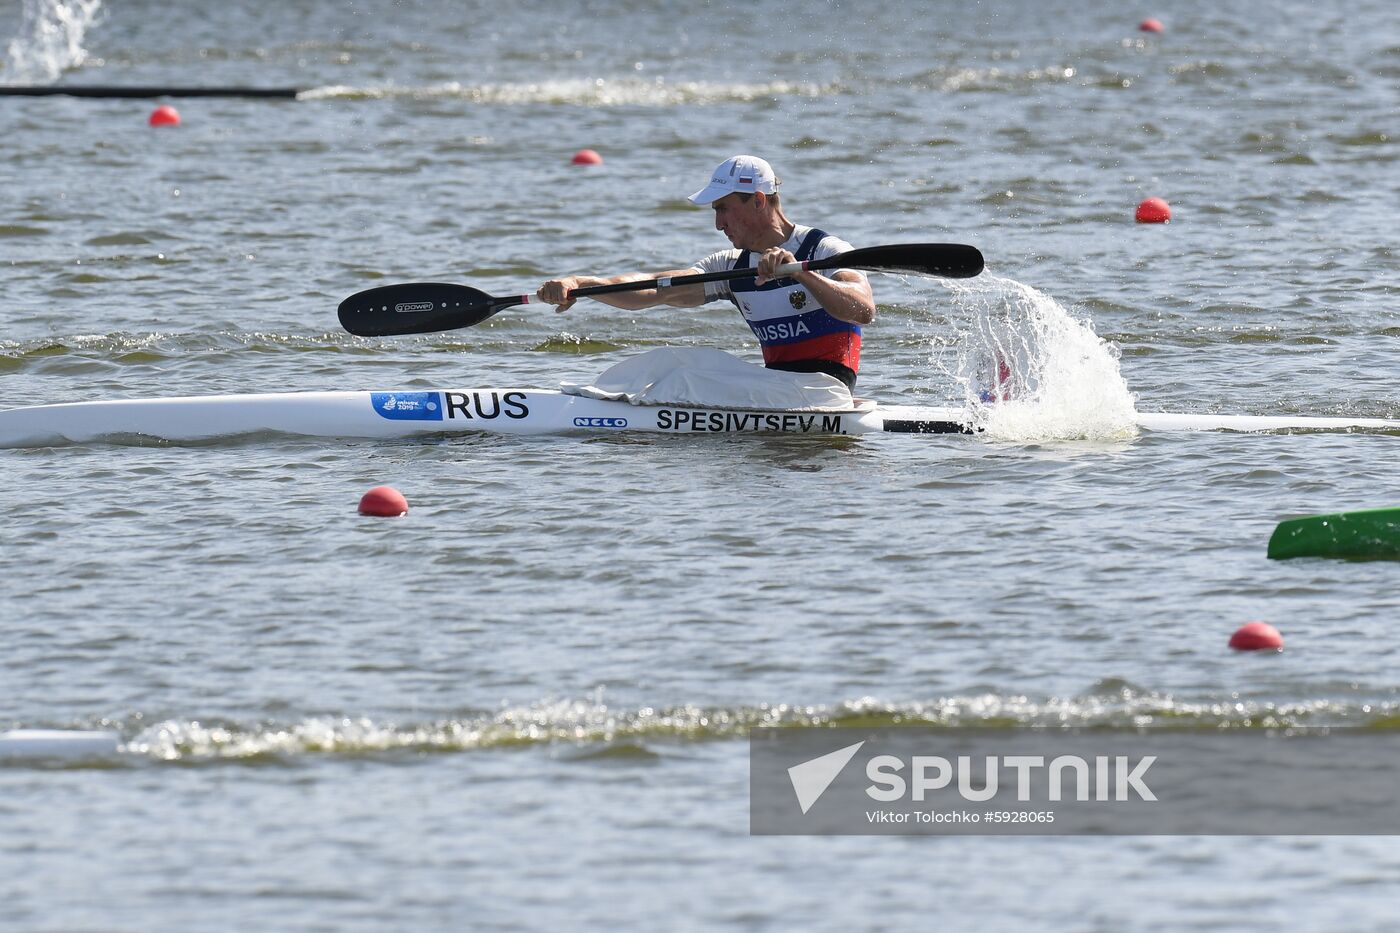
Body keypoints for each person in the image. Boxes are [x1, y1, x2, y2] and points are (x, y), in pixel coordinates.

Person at [536, 155, 875, 389]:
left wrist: (800, 273)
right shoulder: (730, 266)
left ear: (758, 200)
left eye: (723, 209)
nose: (718, 224)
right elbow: (657, 288)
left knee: (686, 371)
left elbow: (863, 310)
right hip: (778, 391)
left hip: (826, 392)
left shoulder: (824, 251)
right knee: (669, 362)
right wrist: (581, 284)